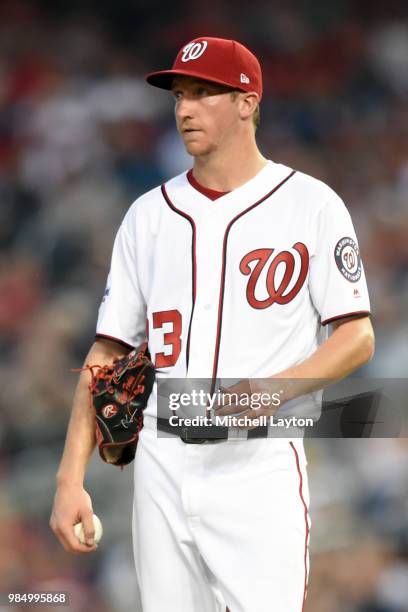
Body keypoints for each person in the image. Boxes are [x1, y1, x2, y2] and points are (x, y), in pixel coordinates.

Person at [50, 37, 375, 611]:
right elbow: (106, 350)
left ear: (248, 102)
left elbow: (357, 337)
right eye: (179, 94)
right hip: (161, 460)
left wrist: (271, 392)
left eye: (203, 93)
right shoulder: (147, 215)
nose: (184, 109)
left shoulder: (311, 205)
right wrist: (68, 479)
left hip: (259, 462)